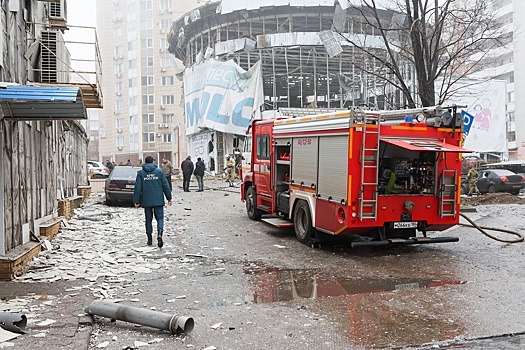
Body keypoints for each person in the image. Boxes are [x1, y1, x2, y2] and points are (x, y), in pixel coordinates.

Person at [133, 156, 172, 247]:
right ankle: (159, 234)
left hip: (146, 200)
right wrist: (169, 197)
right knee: (160, 218)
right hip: (158, 199)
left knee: (148, 220)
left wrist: (136, 200)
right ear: (153, 162)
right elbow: (165, 185)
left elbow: (138, 188)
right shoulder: (159, 172)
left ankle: (149, 238)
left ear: (145, 162)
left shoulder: (141, 173)